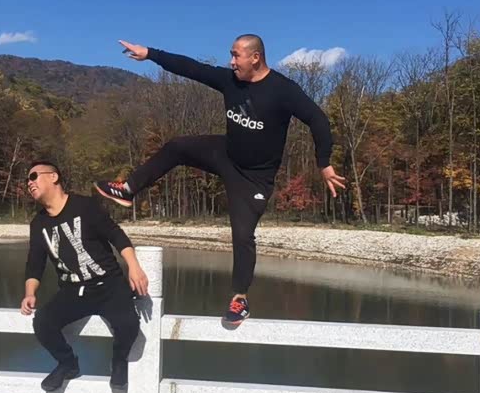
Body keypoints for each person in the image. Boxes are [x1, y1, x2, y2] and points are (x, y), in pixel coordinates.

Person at [95, 35, 345, 326]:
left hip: (254, 178)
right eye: (231, 55)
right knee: (177, 147)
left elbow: (318, 120)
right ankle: (128, 189)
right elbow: (191, 68)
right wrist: (150, 53)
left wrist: (324, 163)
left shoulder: (283, 90)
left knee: (242, 234)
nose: (231, 62)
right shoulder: (230, 81)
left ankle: (240, 298)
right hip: (226, 154)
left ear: (256, 57)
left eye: (237, 55)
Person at [21, 158, 149, 391]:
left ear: (53, 177)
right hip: (73, 291)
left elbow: (116, 235)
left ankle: (119, 360)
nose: (29, 183)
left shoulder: (85, 206)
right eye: (27, 180)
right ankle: (67, 363)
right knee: (43, 323)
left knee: (129, 324)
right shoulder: (38, 224)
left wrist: (133, 266)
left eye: (33, 176)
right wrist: (30, 293)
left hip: (109, 285)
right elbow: (35, 263)